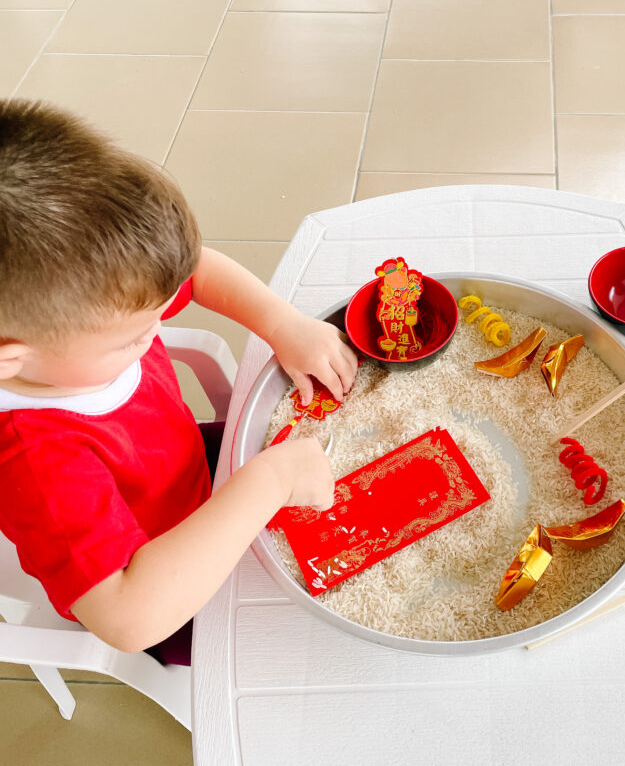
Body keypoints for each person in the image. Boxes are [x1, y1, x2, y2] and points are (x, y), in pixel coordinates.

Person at [0, 99, 357, 662]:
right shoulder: (37, 462)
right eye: (134, 338)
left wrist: (284, 325)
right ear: (9, 359)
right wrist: (268, 484)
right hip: (174, 585)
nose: (156, 330)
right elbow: (129, 616)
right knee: (321, 648)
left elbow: (199, 270)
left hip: (196, 471)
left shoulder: (88, 305)